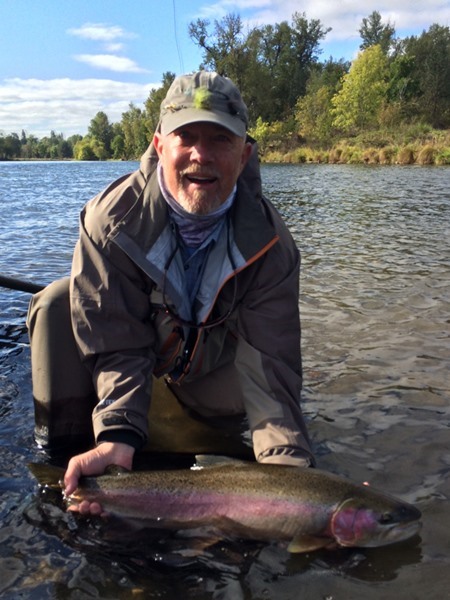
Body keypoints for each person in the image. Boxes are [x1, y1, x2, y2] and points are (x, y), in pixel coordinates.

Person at [27, 71, 314, 514]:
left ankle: (194, 436)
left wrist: (299, 490)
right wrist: (118, 437)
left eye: (220, 139)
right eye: (186, 137)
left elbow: (271, 371)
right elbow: (117, 344)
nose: (201, 155)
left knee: (264, 438)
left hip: (208, 369)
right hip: (139, 349)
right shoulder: (110, 222)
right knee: (54, 304)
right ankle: (62, 455)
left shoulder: (273, 246)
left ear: (245, 155)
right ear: (160, 145)